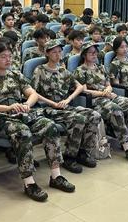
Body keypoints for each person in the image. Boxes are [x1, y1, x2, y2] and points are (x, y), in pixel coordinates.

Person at [0, 43, 76, 201]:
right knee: (23, 132)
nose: (8, 59)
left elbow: (33, 94)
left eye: (10, 56)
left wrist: (27, 104)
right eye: (3, 56)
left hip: (21, 114)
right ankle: (29, 183)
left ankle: (56, 176)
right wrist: (7, 108)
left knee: (49, 126)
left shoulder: (15, 74)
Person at [31, 40, 102, 170]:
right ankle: (70, 156)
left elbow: (79, 87)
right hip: (48, 108)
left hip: (64, 106)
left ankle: (82, 152)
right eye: (54, 52)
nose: (58, 54)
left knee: (94, 115)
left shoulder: (63, 71)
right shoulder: (40, 70)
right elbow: (32, 93)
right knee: (78, 119)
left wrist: (68, 99)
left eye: (60, 51)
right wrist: (53, 103)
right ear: (47, 54)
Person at [73, 42, 128, 165]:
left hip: (108, 95)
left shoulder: (101, 67)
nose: (94, 55)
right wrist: (102, 93)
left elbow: (109, 84)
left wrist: (108, 90)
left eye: (95, 52)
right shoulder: (80, 70)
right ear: (84, 55)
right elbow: (84, 91)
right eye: (91, 53)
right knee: (116, 109)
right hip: (94, 100)